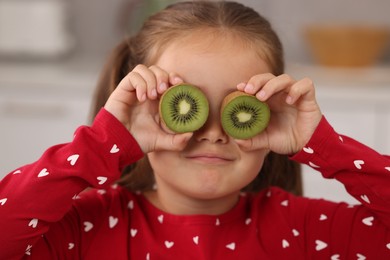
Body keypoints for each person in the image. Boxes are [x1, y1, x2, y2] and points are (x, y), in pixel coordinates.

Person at [0, 1, 389, 259]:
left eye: (239, 107)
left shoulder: (305, 230)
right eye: (188, 105)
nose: (214, 132)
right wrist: (106, 142)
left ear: (270, 113)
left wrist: (324, 145)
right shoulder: (86, 227)